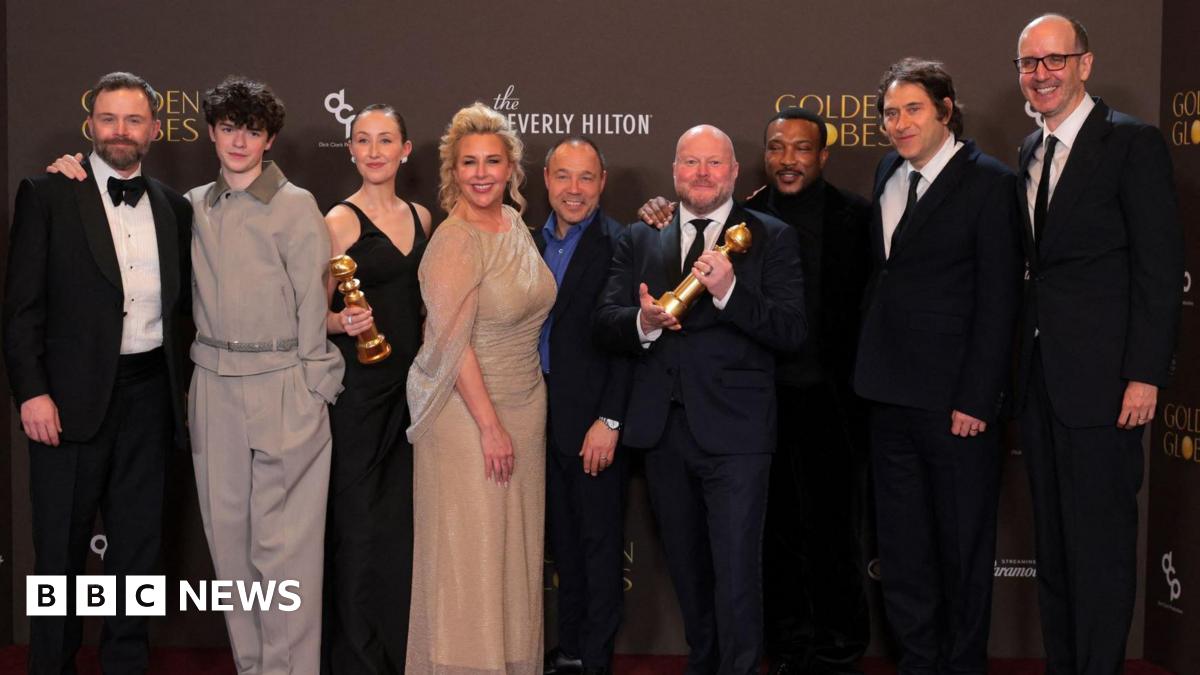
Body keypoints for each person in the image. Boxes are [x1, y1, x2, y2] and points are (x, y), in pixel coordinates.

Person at [639, 108, 871, 675]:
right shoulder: (733, 214)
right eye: (777, 147)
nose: (788, 158)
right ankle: (783, 648)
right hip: (746, 407)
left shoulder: (851, 218)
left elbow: (821, 320)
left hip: (824, 401)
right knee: (765, 545)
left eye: (801, 148)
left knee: (828, 533)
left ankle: (837, 652)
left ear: (822, 155)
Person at [595, 124, 806, 675]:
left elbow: (790, 331)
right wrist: (641, 322)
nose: (703, 174)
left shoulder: (772, 237)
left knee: (737, 571)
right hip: (663, 433)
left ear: (735, 172)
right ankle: (703, 664)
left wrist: (729, 292)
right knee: (687, 571)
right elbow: (606, 321)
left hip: (737, 435)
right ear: (674, 172)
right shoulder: (641, 237)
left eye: (715, 164)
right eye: (691, 163)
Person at [4, 71, 192, 675]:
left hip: (149, 400)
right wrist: (32, 392)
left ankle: (126, 666)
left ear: (154, 130)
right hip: (67, 401)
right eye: (108, 119)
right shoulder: (48, 193)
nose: (119, 131)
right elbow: (21, 308)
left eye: (133, 120)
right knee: (57, 551)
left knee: (137, 553)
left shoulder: (172, 206)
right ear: (91, 125)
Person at [1012, 15, 1182, 675]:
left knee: (1102, 550)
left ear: (1085, 63)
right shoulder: (1030, 149)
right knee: (1054, 550)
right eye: (1029, 63)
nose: (1042, 73)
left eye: (1055, 59)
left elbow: (1160, 269)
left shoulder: (1131, 144)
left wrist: (1145, 373)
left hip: (1109, 386)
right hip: (1041, 382)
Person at [853, 58, 1021, 675]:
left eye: (913, 109)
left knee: (961, 547)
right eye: (891, 113)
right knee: (901, 548)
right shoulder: (887, 172)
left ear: (945, 110)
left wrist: (978, 398)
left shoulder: (991, 183)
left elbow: (1000, 299)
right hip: (886, 393)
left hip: (956, 402)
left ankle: (962, 663)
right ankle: (918, 661)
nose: (899, 124)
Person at [187, 76, 344, 673]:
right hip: (213, 385)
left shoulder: (297, 205)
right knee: (228, 544)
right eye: (228, 128)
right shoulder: (194, 205)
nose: (238, 141)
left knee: (285, 550)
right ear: (211, 131)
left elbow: (313, 297)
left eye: (251, 131)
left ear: (269, 138)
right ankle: (252, 666)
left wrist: (313, 384)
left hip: (284, 381)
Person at [405, 102, 556, 674]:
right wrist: (489, 426)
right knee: (471, 554)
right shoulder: (455, 239)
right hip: (469, 418)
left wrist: (511, 419)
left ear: (512, 166)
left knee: (512, 555)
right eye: (469, 162)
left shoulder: (515, 225)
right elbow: (452, 342)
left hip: (525, 405)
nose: (481, 172)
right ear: (453, 171)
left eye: (493, 160)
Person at [322, 104, 432, 674]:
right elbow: (305, 315)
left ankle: (396, 652)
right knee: (359, 528)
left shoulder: (423, 216)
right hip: (359, 394)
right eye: (362, 140)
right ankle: (355, 660)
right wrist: (343, 323)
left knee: (398, 529)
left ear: (405, 149)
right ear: (351, 151)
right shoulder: (337, 221)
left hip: (411, 391)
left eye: (385, 140)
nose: (373, 151)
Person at [535, 136, 632, 675]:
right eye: (564, 176)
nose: (574, 190)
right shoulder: (525, 241)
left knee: (598, 549)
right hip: (535, 418)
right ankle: (568, 648)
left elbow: (631, 344)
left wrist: (610, 418)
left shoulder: (623, 243)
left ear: (603, 182)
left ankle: (594, 660)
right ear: (546, 178)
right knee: (563, 547)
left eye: (586, 178)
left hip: (594, 421)